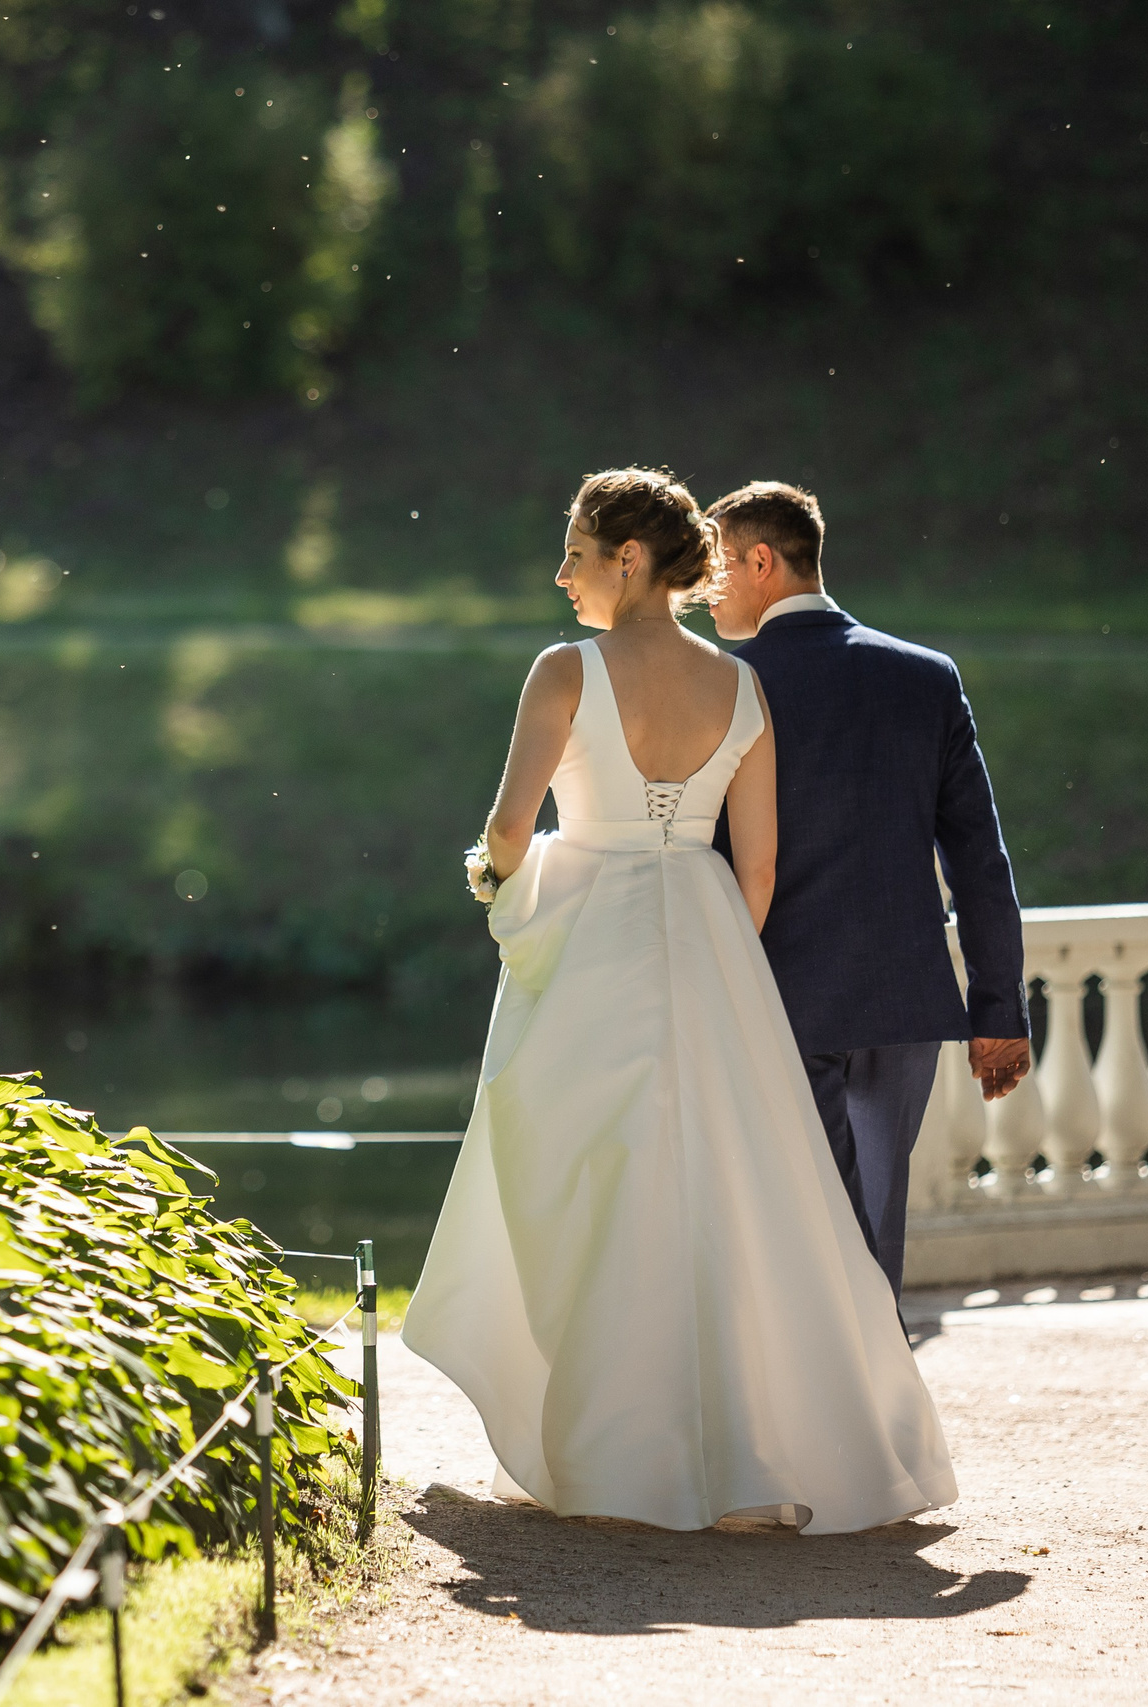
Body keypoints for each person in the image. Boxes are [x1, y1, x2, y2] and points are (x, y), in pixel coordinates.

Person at [403, 468, 955, 1534]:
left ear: (625, 559)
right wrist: (712, 967)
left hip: (593, 935)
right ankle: (754, 1449)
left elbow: (510, 832)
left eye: (572, 552)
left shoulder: (564, 671)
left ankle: (620, 1448)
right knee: (734, 1194)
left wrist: (498, 889)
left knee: (588, 1176)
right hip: (705, 935)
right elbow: (757, 868)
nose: (559, 576)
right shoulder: (740, 688)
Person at [707, 482, 1030, 1299]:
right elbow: (979, 859)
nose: (706, 589)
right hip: (902, 1006)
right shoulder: (925, 676)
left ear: (761, 561)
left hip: (778, 998)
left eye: (716, 567)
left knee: (809, 1237)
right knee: (870, 1231)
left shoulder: (727, 686)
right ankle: (875, 1404)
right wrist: (998, 1008)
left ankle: (847, 1410)